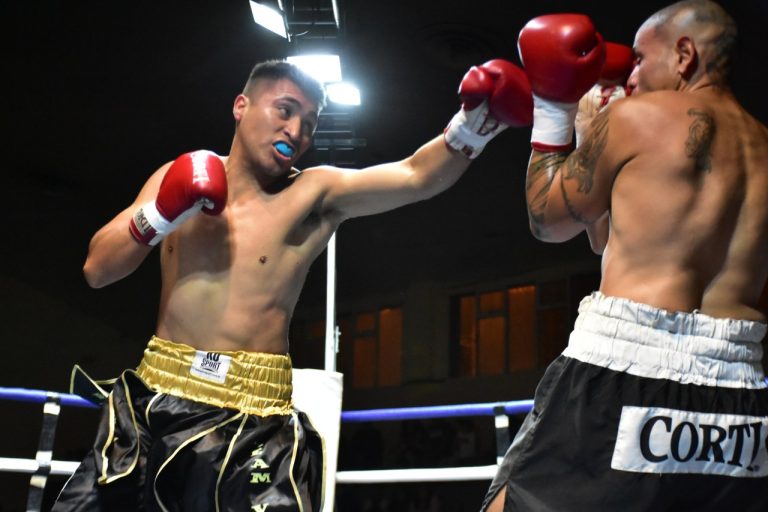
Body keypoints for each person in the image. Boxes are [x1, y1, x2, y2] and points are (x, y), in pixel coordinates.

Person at [53, 58, 532, 511]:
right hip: (154, 398)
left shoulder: (312, 193)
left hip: (251, 420)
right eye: (285, 110)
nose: (297, 132)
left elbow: (415, 175)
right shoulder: (176, 175)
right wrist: (160, 214)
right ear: (241, 106)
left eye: (309, 122)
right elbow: (97, 270)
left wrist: (472, 126)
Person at [483, 2, 768, 511]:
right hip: (739, 394)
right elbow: (605, 239)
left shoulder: (634, 118)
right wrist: (592, 134)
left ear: (684, 55)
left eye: (639, 59)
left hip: (625, 368)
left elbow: (548, 220)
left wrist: (554, 108)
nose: (630, 75)